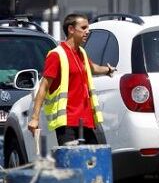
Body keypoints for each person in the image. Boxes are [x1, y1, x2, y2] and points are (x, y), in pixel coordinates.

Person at [28, 13, 116, 145]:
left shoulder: (82, 53)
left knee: (93, 160)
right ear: (71, 29)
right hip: (67, 122)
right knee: (72, 163)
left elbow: (92, 68)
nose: (88, 31)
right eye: (84, 28)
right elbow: (44, 86)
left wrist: (108, 70)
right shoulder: (56, 55)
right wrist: (34, 118)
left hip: (87, 120)